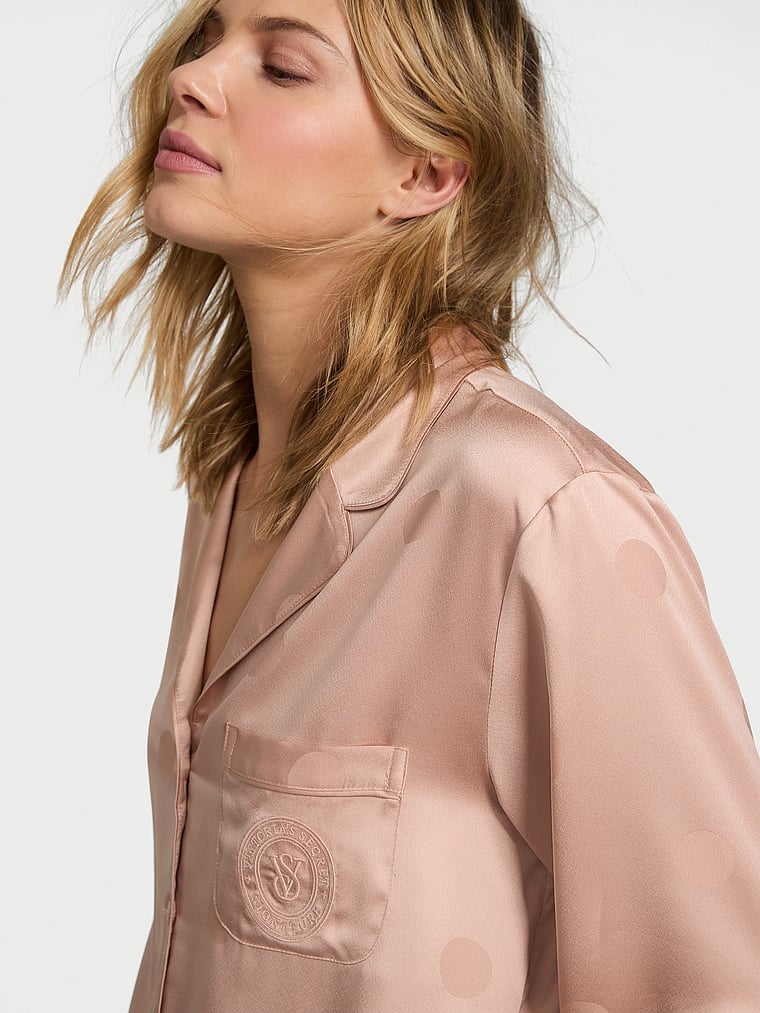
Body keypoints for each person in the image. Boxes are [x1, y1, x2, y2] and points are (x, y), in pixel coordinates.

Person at [58, 0, 760, 1010]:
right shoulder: (230, 481)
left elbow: (709, 980)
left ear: (427, 174)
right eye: (207, 36)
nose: (191, 77)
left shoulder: (545, 510)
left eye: (282, 66)